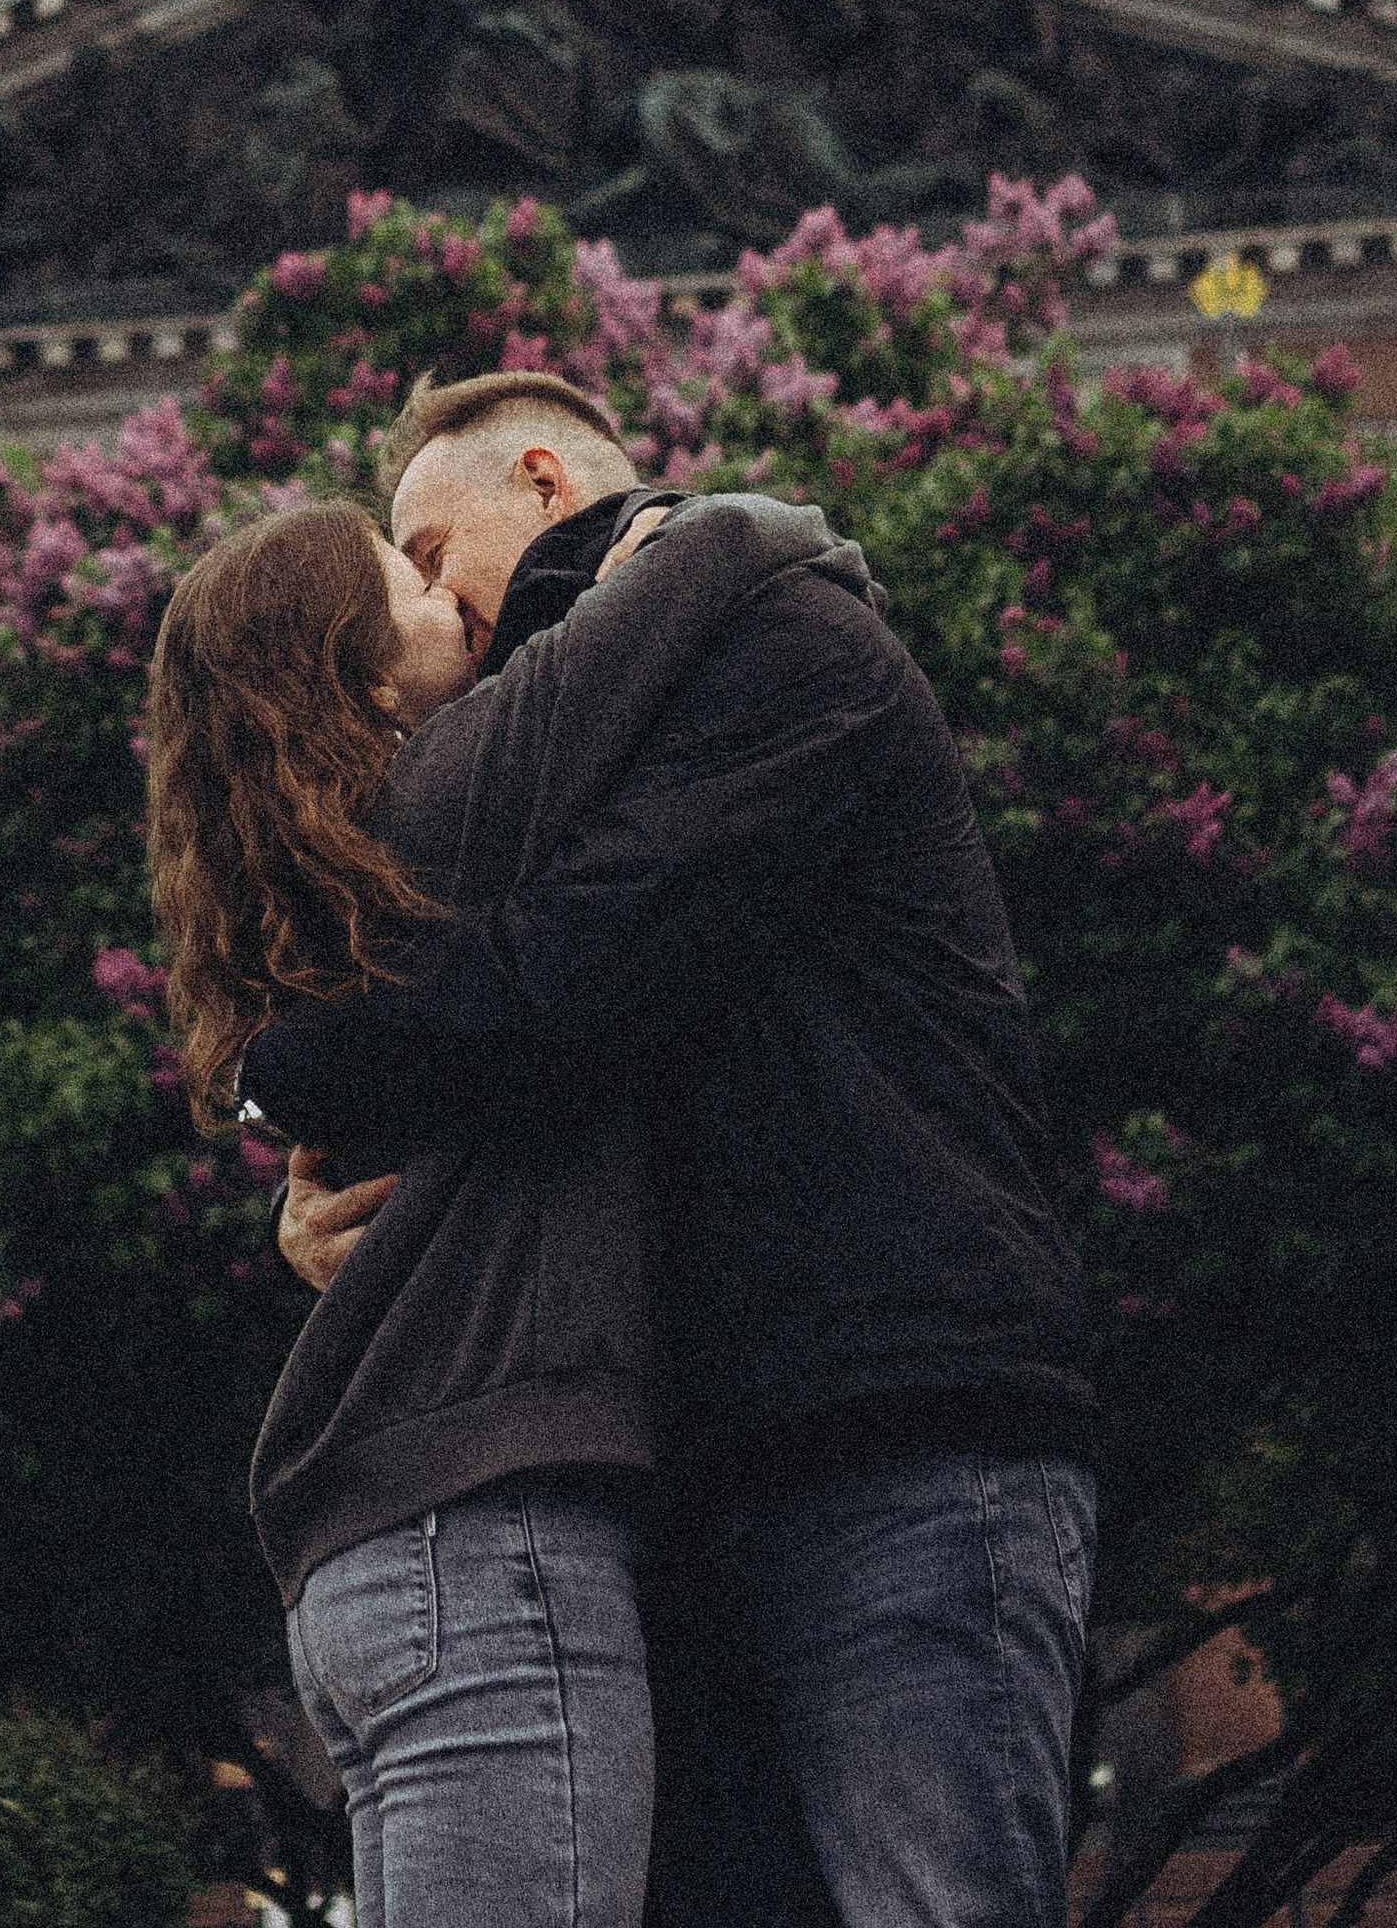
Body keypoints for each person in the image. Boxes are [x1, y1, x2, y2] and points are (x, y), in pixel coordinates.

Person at [242, 372, 1098, 1928]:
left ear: (550, 483)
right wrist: (330, 1178)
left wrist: (283, 1075)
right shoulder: (611, 706)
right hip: (714, 1456)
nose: (432, 610)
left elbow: (564, 982)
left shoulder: (783, 637)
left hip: (898, 1427)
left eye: (436, 553)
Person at [148, 485, 880, 1928]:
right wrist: (686, 525)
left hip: (381, 1559)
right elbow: (733, 553)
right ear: (357, 673)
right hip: (477, 1544)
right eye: (407, 585)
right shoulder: (453, 795)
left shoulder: (334, 882)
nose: (455, 605)